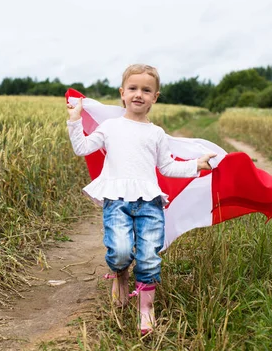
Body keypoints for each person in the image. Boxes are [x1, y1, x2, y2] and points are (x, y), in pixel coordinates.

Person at [66, 64, 216, 335]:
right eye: (133, 88)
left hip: (150, 203)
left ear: (155, 97)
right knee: (120, 250)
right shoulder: (110, 127)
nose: (139, 94)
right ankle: (121, 274)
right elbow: (82, 148)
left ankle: (146, 309)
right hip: (117, 200)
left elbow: (168, 167)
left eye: (146, 90)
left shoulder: (156, 133)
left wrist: (196, 165)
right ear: (122, 94)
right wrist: (75, 120)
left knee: (148, 257)